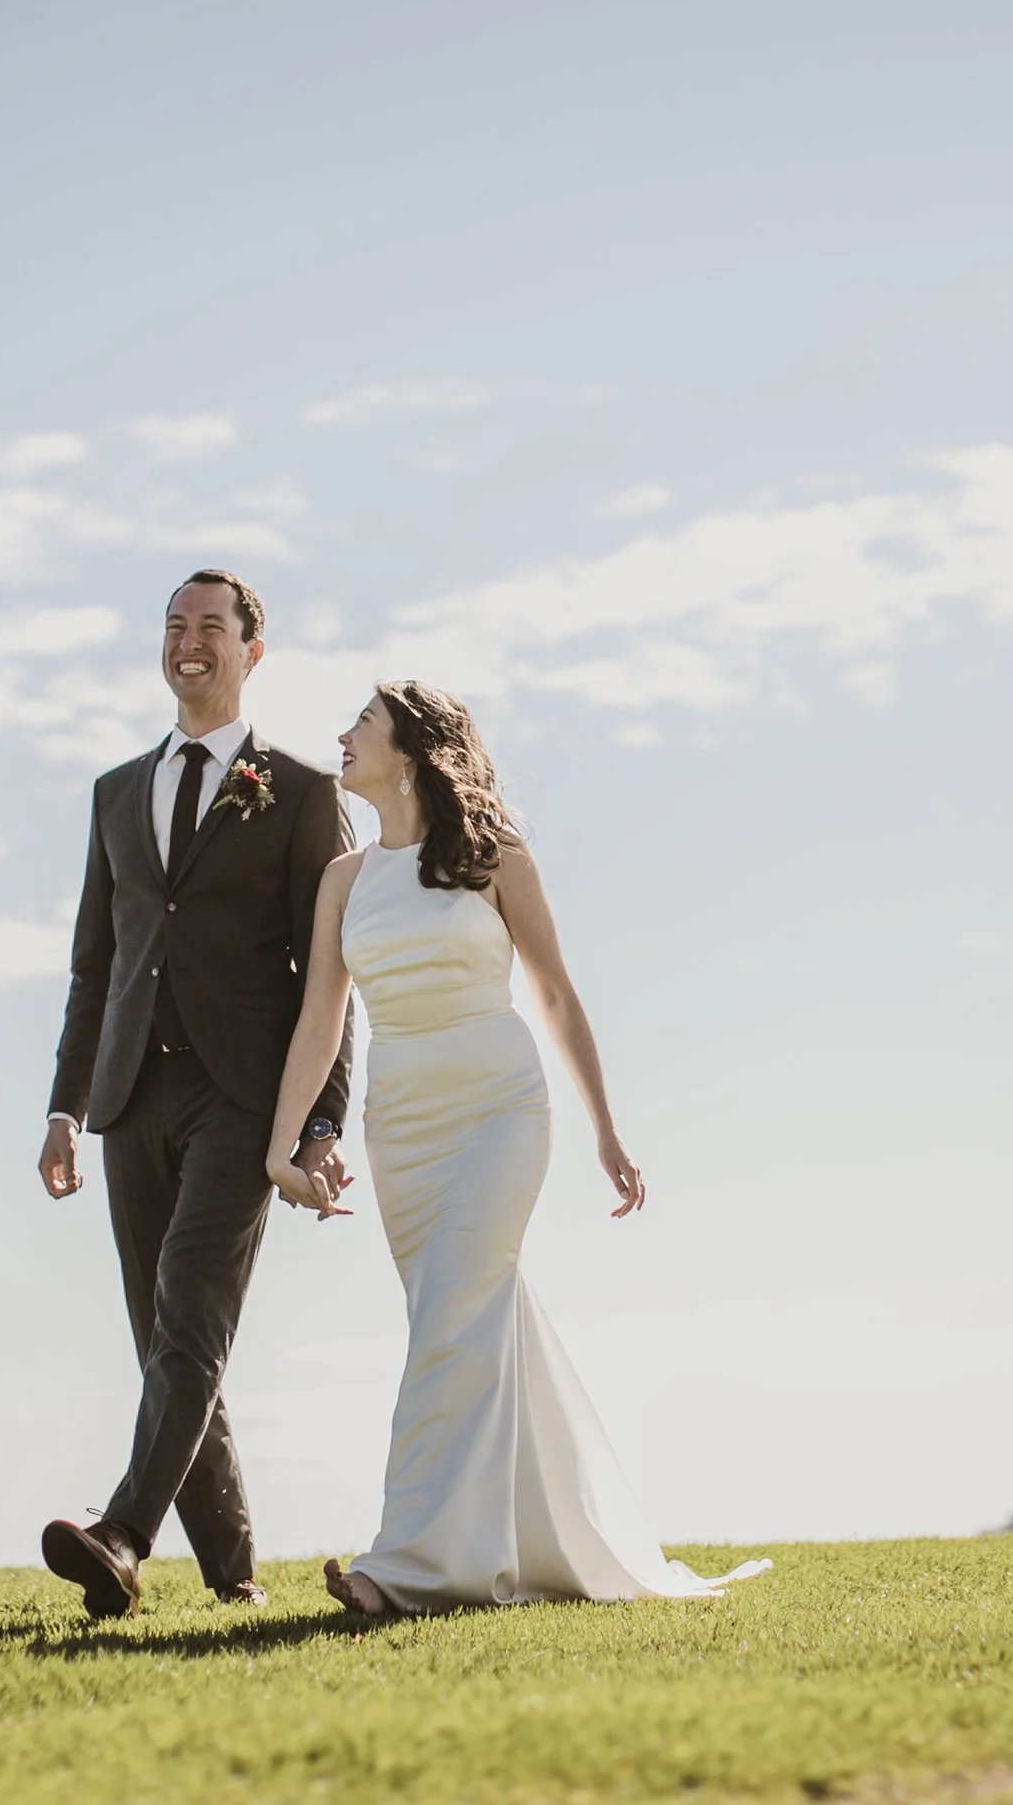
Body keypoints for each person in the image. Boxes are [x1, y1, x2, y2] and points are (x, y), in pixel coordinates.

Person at [265, 681, 768, 1613]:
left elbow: (558, 996)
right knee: (469, 1324)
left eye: (361, 725)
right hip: (401, 1128)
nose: (341, 736)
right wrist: (281, 1145)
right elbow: (319, 1022)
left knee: (451, 1314)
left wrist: (607, 1130)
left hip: (499, 1110)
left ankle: (409, 1567)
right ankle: (550, 1541)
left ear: (410, 750)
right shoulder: (344, 878)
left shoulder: (493, 857)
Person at [36, 569, 355, 1618]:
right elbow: (97, 961)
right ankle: (235, 1572)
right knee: (167, 1331)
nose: (189, 643)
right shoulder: (113, 793)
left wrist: (316, 1123)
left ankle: (123, 1533)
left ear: (251, 651)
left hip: (241, 1096)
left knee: (190, 1309)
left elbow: (333, 972)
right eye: (174, 626)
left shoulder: (303, 791)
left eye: (210, 627)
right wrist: (65, 1107)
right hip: (130, 1095)